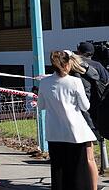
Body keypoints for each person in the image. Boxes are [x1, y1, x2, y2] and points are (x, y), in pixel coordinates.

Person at [38, 50, 96, 190]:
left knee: (58, 172)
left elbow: (41, 106)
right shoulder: (75, 82)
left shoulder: (44, 82)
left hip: (54, 133)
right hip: (75, 132)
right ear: (68, 63)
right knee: (78, 171)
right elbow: (85, 106)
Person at [66, 52, 99, 190]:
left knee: (80, 158)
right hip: (93, 119)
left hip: (80, 121)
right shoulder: (91, 70)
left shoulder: (72, 79)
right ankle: (93, 187)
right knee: (90, 158)